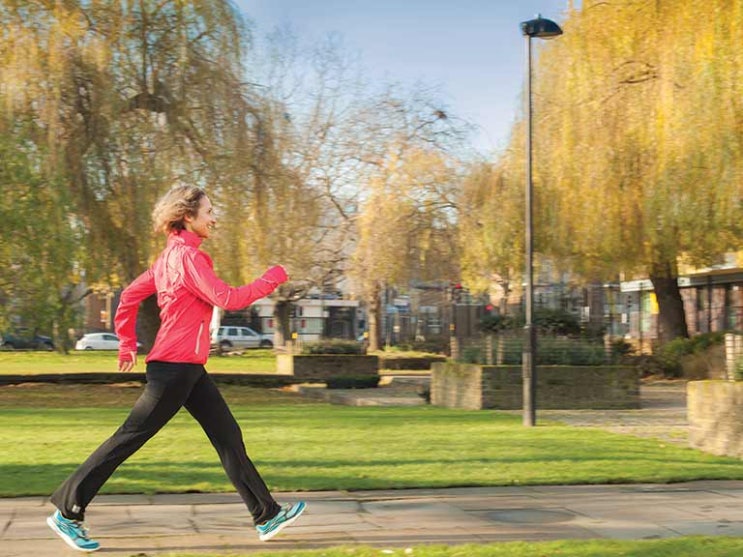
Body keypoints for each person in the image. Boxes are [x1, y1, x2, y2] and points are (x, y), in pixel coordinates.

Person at [47, 185, 305, 553]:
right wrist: (273, 276)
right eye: (209, 211)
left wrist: (125, 342)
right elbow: (226, 298)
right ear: (188, 215)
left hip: (187, 368)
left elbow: (130, 296)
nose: (214, 217)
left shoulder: (170, 258)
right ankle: (67, 512)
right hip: (173, 369)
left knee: (228, 436)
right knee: (128, 438)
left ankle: (266, 514)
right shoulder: (187, 258)